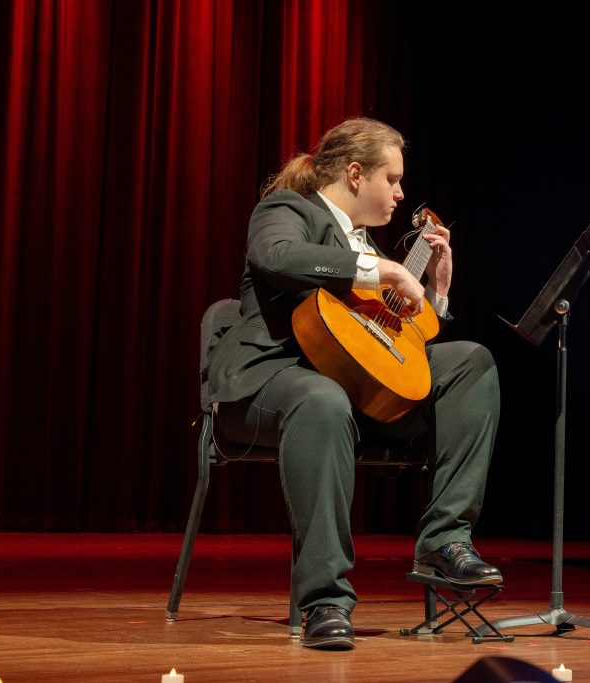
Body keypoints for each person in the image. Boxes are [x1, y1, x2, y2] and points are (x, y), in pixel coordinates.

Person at [204, 117, 501, 650]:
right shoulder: (287, 211)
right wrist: (386, 272)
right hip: (270, 384)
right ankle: (325, 600)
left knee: (470, 362)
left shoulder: (373, 250)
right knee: (321, 399)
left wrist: (437, 292)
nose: (401, 192)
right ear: (357, 174)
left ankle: (445, 540)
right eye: (393, 178)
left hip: (358, 395)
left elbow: (401, 346)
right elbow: (278, 256)